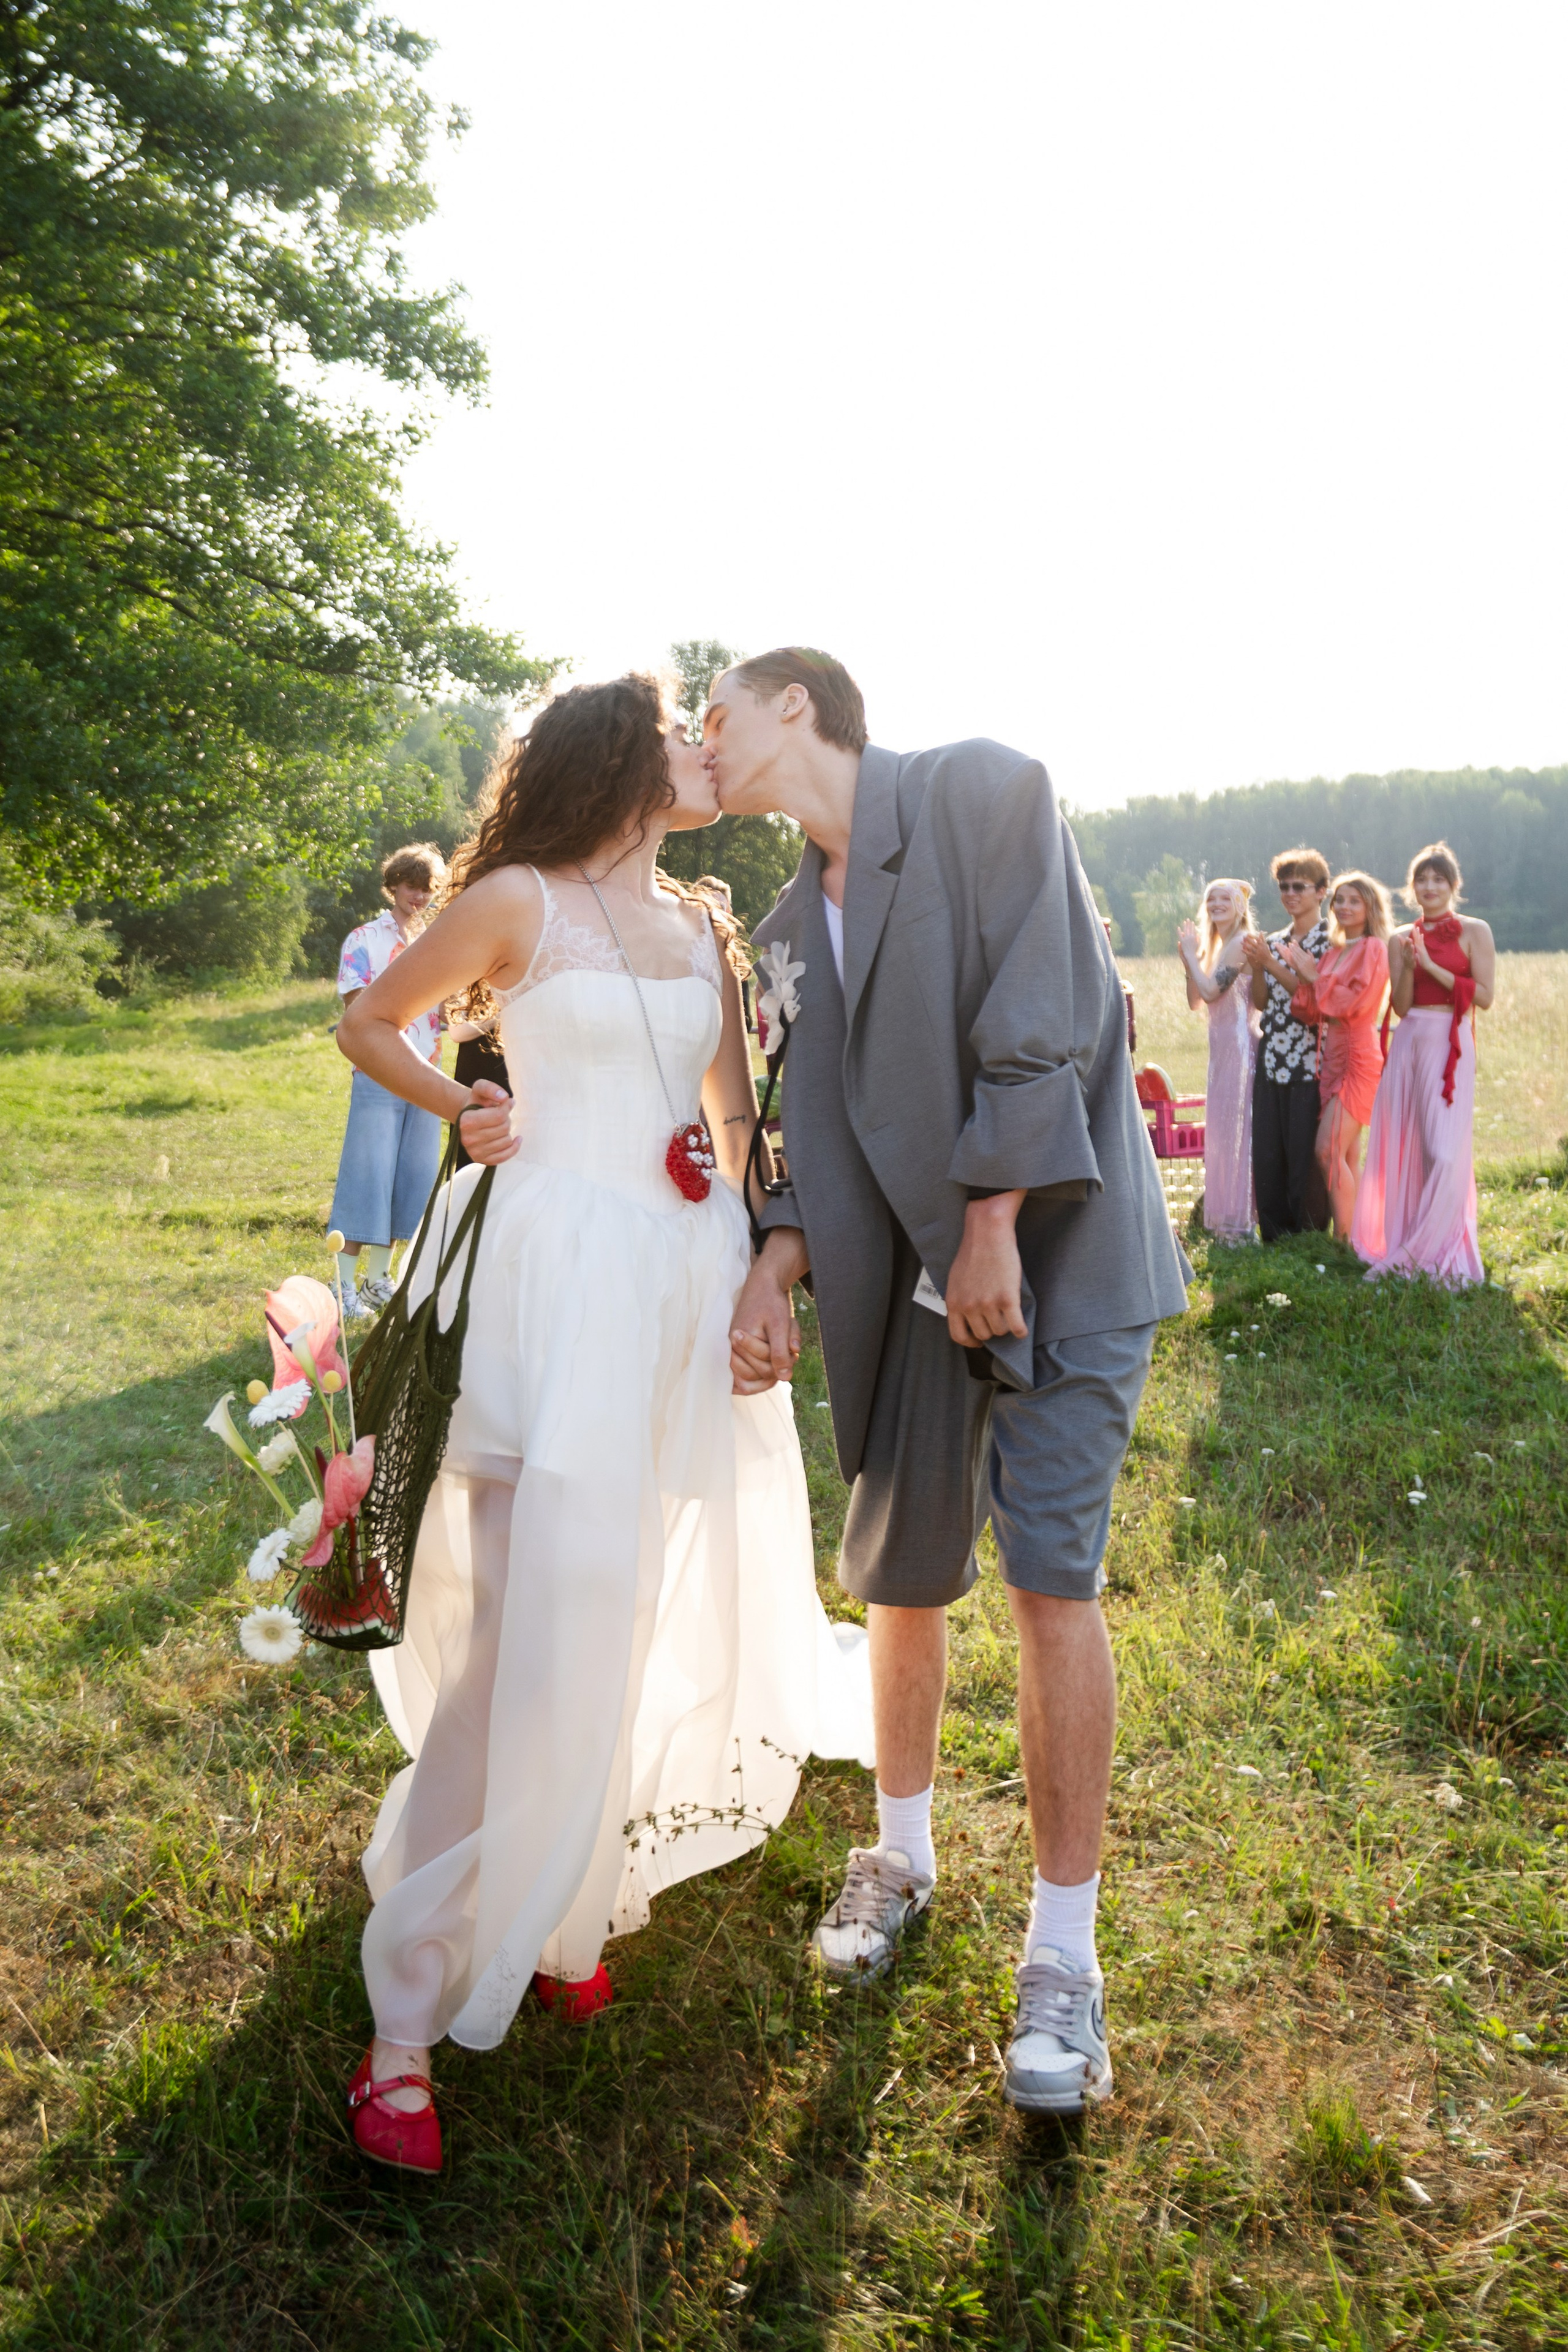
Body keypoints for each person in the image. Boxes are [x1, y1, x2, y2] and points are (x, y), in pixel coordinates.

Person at [334, 675, 872, 2174]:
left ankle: (562, 1899)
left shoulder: (699, 927)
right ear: (622, 762)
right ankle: (402, 2022)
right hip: (543, 1281)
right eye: (680, 734)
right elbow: (367, 1019)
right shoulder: (514, 896)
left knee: (627, 1606)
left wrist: (764, 1269)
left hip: (673, 1290)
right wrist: (462, 1100)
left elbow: (735, 1124)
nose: (707, 751)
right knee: (520, 1633)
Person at [706, 647, 1191, 2117]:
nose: (698, 743)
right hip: (903, 1291)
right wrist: (773, 1265)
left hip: (1058, 1249)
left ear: (795, 703)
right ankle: (899, 1852)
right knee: (899, 1577)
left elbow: (1044, 1014)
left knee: (1050, 1579)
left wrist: (989, 1221)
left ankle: (1063, 1963)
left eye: (711, 714)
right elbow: (795, 1121)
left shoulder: (986, 791)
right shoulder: (782, 924)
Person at [1351, 841, 1493, 1286]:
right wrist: (1412, 967)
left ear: (1454, 885)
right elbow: (1402, 1006)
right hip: (1410, 1042)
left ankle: (1441, 1250)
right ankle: (1411, 1240)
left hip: (1450, 1043)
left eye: (1438, 879)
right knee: (1414, 1147)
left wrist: (1433, 963)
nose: (1430, 887)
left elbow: (1484, 998)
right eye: (1422, 880)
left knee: (1445, 1153)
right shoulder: (1399, 939)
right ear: (1412, 889)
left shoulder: (1476, 931)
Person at [330, 845, 448, 1313]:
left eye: (426, 889)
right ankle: (342, 1287)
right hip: (380, 1072)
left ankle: (378, 1280)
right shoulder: (365, 939)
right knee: (368, 1177)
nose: (418, 896)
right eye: (411, 886)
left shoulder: (433, 943)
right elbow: (357, 1010)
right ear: (393, 884)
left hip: (426, 1074)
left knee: (411, 1180)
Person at [1282, 871, 1391, 1240]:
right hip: (1331, 1057)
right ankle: (1359, 1237)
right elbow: (1311, 1011)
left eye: (1354, 901)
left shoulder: (1375, 949)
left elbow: (1354, 1006)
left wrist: (1314, 978)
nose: (1344, 907)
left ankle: (1345, 1238)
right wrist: (1303, 974)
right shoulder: (1332, 953)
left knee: (1327, 1150)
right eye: (1340, 900)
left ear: (1370, 907)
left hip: (1359, 1056)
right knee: (1344, 1154)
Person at [1241, 848, 1332, 1240]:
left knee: (1303, 1151)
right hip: (1273, 1051)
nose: (1290, 894)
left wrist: (1272, 962)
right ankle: (1275, 1234)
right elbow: (1261, 1001)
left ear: (1321, 891)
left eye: (1300, 886)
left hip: (1310, 1056)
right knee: (1270, 1149)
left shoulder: (1329, 938)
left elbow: (1312, 996)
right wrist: (1259, 966)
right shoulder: (1274, 938)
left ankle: (1309, 1234)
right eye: (1284, 887)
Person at [1176, 878, 1261, 1243]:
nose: (1216, 904)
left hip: (1240, 1047)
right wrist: (1189, 961)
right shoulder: (1219, 946)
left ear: (1241, 906)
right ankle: (1225, 1219)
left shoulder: (1241, 943)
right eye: (1211, 898)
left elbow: (1211, 991)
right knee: (1223, 1131)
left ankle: (1239, 1223)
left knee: (1236, 1130)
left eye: (1225, 898)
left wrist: (1195, 959)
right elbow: (1196, 1001)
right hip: (1221, 1049)